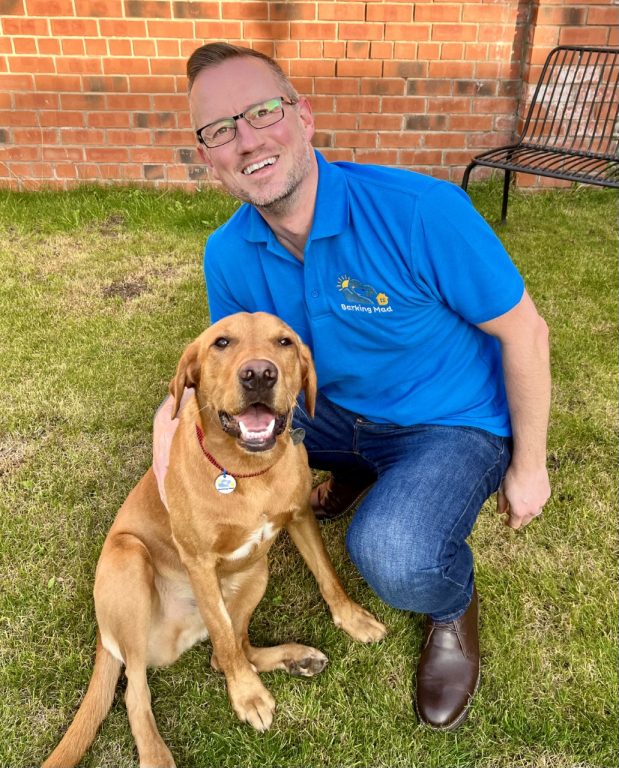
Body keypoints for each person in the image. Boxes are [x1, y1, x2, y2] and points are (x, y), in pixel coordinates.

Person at [153, 42, 551, 731]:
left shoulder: (421, 210)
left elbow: (526, 333)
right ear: (207, 155)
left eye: (262, 112)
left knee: (392, 555)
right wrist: (173, 462)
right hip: (332, 414)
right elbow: (226, 380)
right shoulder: (227, 250)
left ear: (302, 116)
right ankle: (358, 466)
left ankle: (451, 606)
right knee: (237, 429)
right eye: (220, 130)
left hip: (447, 420)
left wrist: (530, 467)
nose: (247, 140)